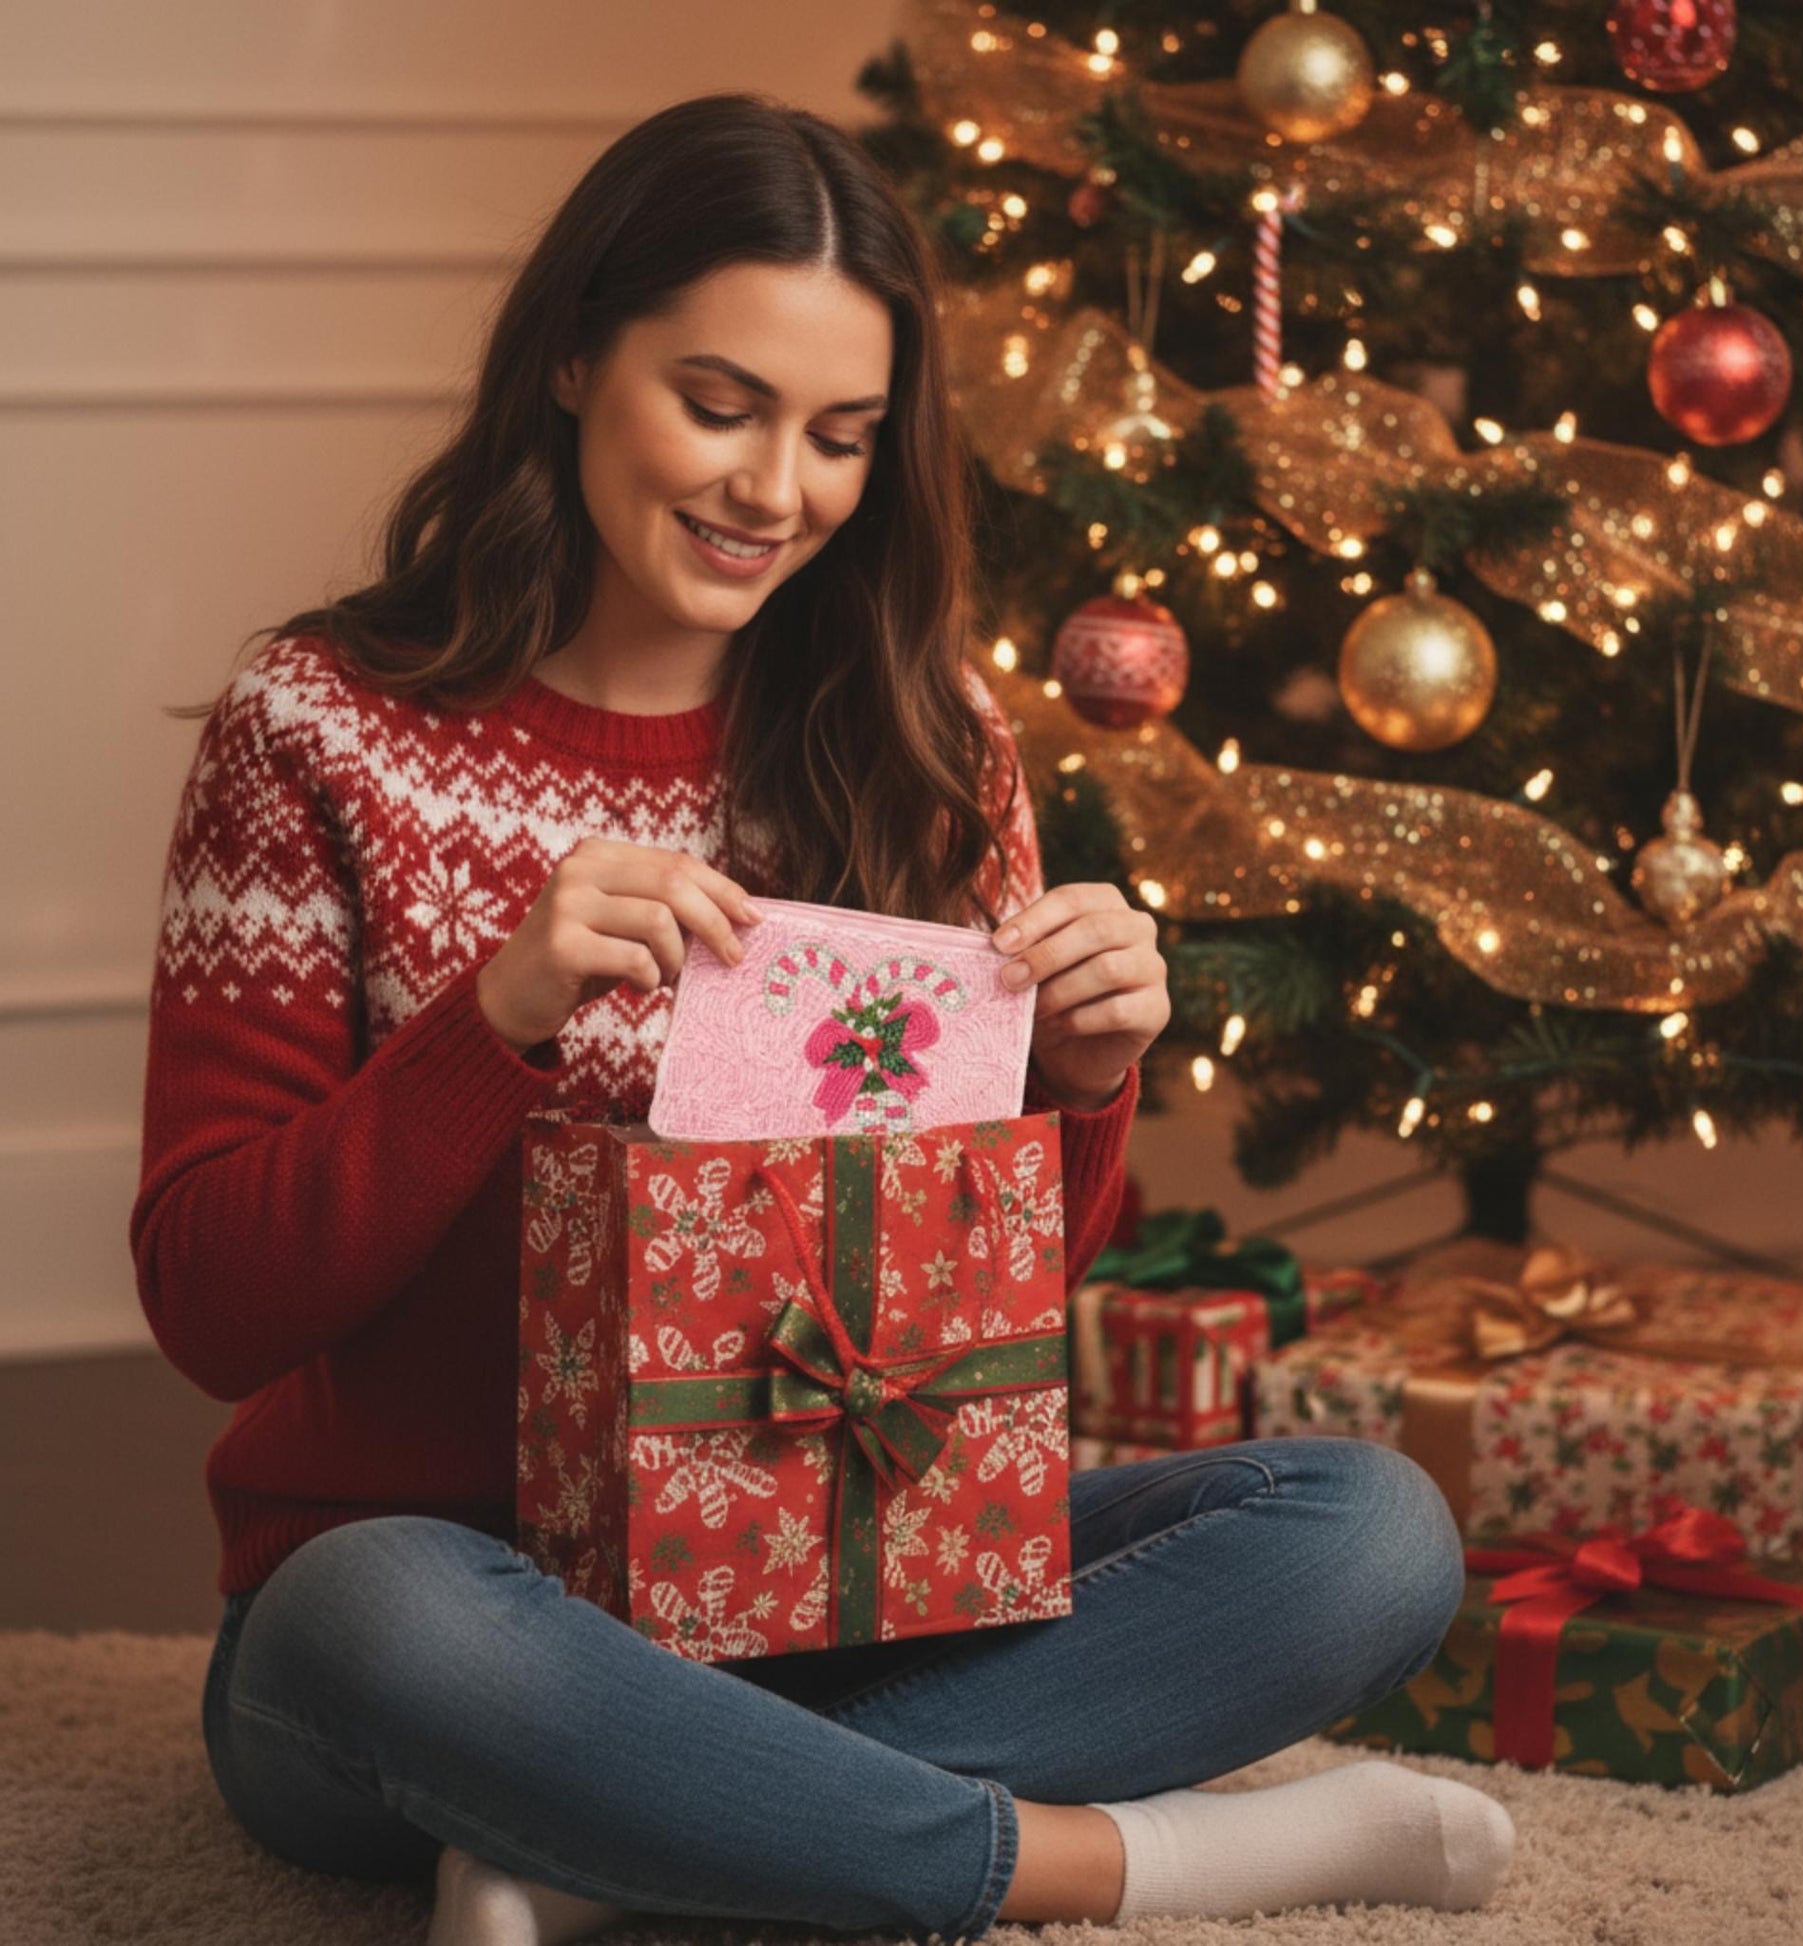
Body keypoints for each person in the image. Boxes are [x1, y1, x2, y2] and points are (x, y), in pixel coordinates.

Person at [132, 90, 1511, 1946]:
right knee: (364, 1611)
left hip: (838, 1605)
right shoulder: (316, 728)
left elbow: (980, 1332)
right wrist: (499, 1015)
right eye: (720, 403)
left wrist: (1080, 1084)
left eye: (840, 436)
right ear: (569, 358)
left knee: (1368, 1532)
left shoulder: (927, 746)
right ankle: (1104, 1861)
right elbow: (217, 1302)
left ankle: (612, 1852)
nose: (774, 490)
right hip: (446, 1617)